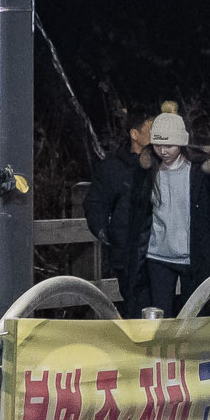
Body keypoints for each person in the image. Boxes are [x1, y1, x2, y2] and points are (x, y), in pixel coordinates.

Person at [118, 107, 210, 317]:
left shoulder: (201, 171)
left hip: (192, 255)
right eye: (158, 144)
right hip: (158, 255)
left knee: (193, 318)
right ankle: (162, 351)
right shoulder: (147, 171)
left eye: (169, 144)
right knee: (160, 316)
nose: (163, 150)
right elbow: (136, 211)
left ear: (181, 142)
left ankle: (192, 351)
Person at [83, 108, 153, 288]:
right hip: (127, 257)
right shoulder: (113, 168)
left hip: (159, 256)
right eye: (151, 129)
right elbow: (95, 204)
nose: (157, 134)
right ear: (135, 134)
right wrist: (109, 235)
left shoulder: (162, 164)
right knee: (135, 309)